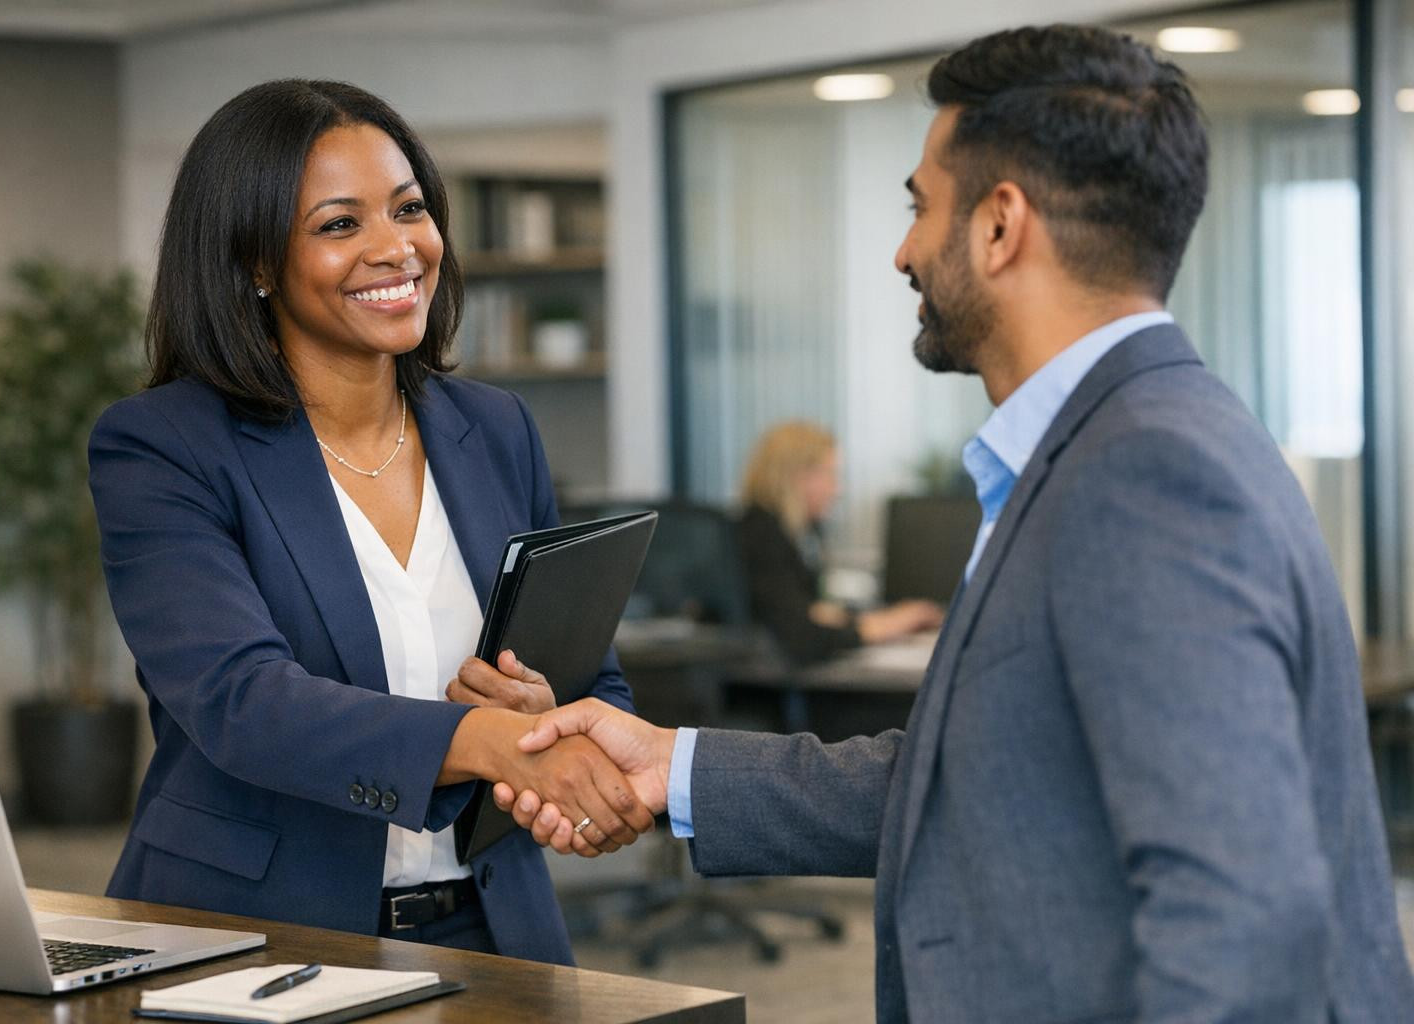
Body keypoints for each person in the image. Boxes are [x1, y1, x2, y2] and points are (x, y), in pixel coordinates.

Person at [494, 24, 1414, 1021]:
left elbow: (1243, 924)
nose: (903, 248)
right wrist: (669, 764)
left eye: (919, 205)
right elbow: (976, 785)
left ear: (999, 224)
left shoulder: (1143, 473)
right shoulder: (1112, 442)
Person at [87, 79, 652, 965]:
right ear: (257, 262)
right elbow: (243, 703)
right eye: (341, 224)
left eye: (410, 209)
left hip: (492, 928)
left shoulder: (495, 427)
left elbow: (596, 685)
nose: (397, 250)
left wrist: (547, 718)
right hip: (251, 936)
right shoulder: (162, 446)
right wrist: (487, 741)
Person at [737, 420, 943, 664]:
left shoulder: (786, 533)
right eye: (829, 474)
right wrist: (877, 628)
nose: (836, 489)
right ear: (797, 476)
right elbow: (800, 637)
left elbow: (802, 611)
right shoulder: (762, 537)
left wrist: (863, 619)